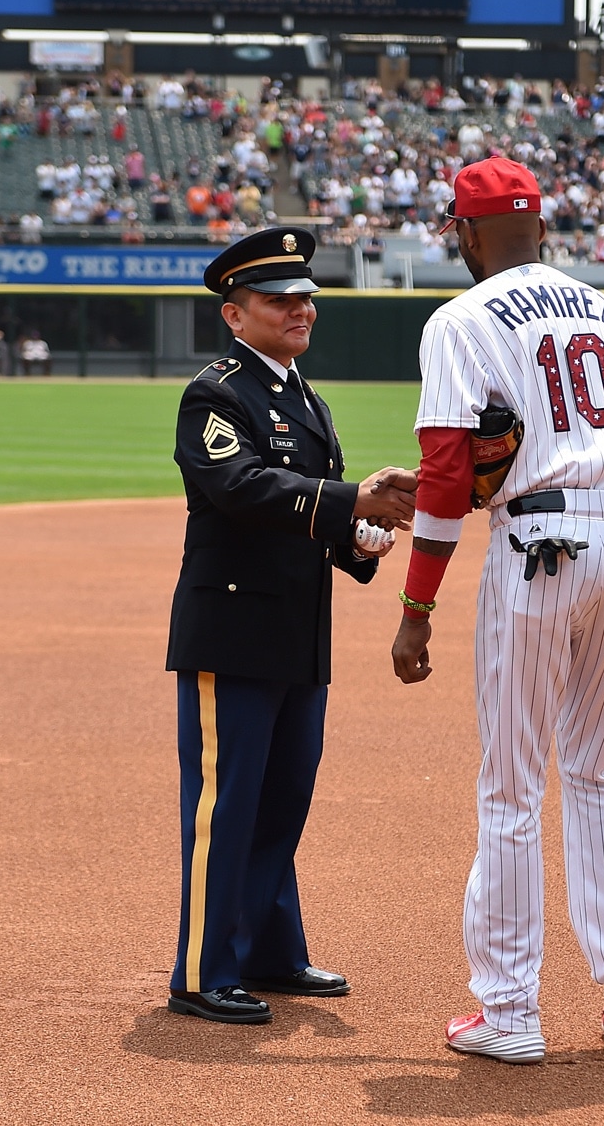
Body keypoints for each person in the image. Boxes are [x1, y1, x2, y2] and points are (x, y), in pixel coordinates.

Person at [390, 156, 604, 1064]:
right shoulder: (599, 305)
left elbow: (447, 472)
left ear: (467, 236)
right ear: (539, 229)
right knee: (598, 771)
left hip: (540, 550)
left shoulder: (459, 317)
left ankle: (509, 1013)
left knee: (512, 784)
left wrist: (416, 606)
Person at [166, 226, 417, 1026]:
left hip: (298, 635)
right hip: (233, 632)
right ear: (236, 316)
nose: (300, 309)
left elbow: (308, 511)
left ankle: (270, 954)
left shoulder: (304, 395)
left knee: (282, 802)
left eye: (306, 297)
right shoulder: (217, 392)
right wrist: (351, 502)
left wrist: (358, 539)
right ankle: (203, 970)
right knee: (226, 802)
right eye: (279, 300)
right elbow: (241, 487)